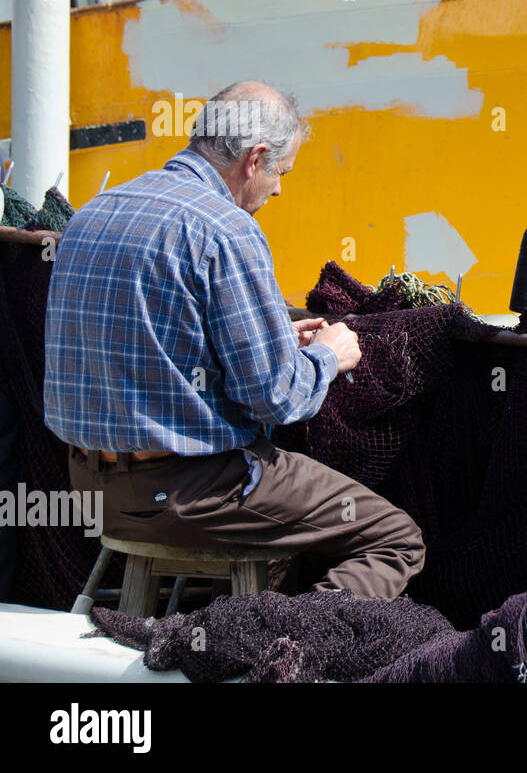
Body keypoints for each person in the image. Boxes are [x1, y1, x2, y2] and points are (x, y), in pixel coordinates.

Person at [45, 81, 425, 600]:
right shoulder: (226, 229)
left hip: (90, 488)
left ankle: (228, 632)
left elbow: (146, 343)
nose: (279, 190)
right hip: (189, 494)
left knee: (275, 538)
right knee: (395, 539)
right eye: (281, 174)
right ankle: (282, 644)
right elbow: (275, 398)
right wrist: (327, 357)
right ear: (256, 158)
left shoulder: (95, 212)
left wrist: (272, 339)